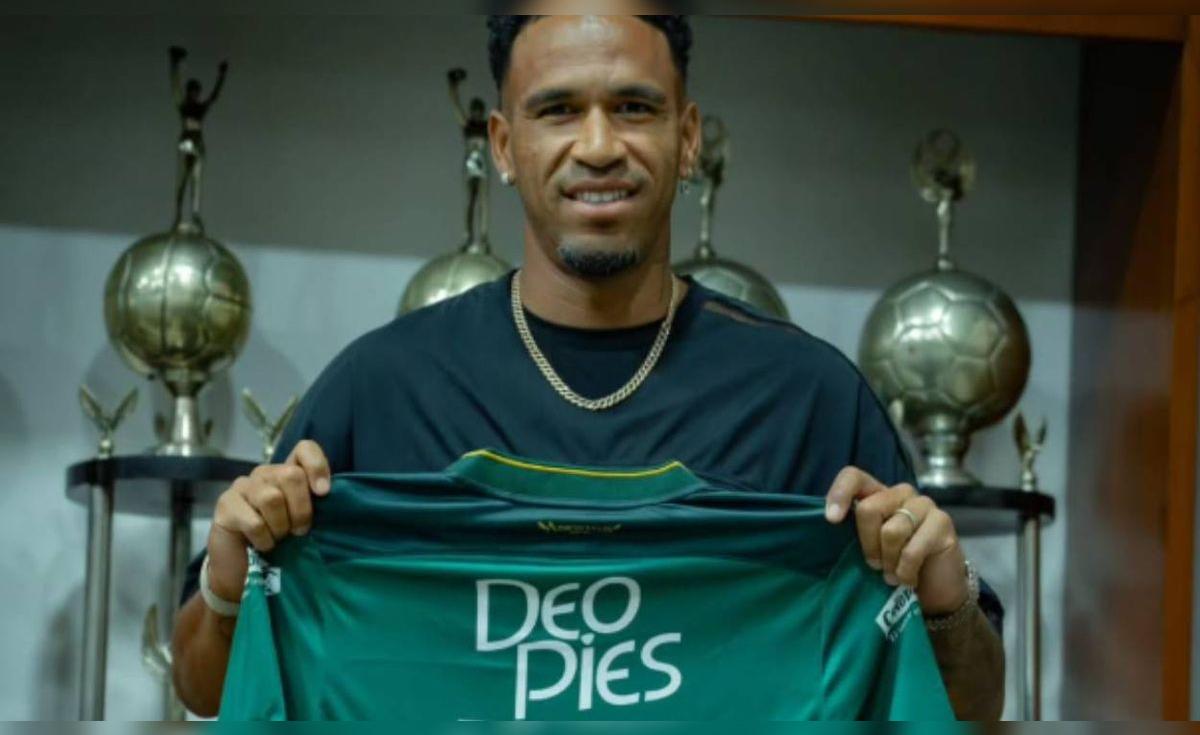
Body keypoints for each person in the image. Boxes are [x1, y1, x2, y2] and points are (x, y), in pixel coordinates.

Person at [171, 13, 1005, 719]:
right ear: (505, 145)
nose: (599, 145)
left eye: (634, 107)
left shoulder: (808, 400)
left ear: (686, 139)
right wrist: (227, 582)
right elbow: (202, 687)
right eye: (559, 110)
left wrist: (943, 597)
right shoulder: (382, 388)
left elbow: (975, 703)